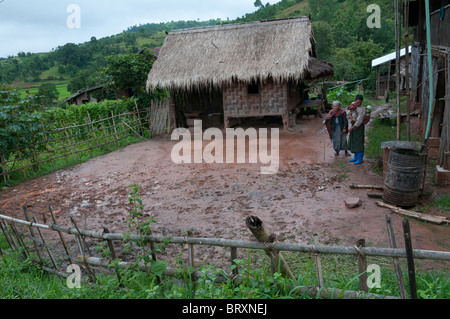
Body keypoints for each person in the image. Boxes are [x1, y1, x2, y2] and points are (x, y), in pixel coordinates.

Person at [347, 95, 366, 165]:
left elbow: (359, 122)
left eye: (360, 103)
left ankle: (360, 159)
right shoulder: (352, 105)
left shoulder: (362, 109)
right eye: (357, 102)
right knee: (354, 141)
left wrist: (351, 128)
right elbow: (348, 113)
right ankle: (355, 157)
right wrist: (352, 119)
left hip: (359, 127)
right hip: (353, 124)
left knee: (359, 142)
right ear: (355, 100)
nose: (359, 104)